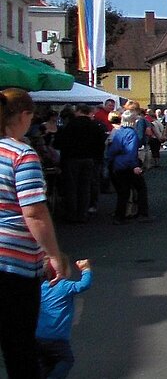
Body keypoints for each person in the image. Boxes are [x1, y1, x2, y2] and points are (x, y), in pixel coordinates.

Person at [1, 88, 70, 379]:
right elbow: (34, 212)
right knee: (19, 346)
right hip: (12, 262)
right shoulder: (20, 154)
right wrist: (53, 255)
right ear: (25, 115)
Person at [36, 258, 93, 378]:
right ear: (61, 271)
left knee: (45, 363)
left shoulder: (42, 287)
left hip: (39, 336)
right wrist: (86, 269)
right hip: (57, 337)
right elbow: (84, 285)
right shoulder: (65, 286)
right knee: (67, 360)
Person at [106, 112, 150, 224]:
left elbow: (112, 150)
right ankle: (142, 213)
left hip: (118, 164)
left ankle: (119, 216)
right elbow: (131, 151)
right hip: (129, 164)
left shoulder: (118, 132)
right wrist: (135, 166)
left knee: (123, 191)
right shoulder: (132, 133)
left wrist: (111, 162)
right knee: (140, 188)